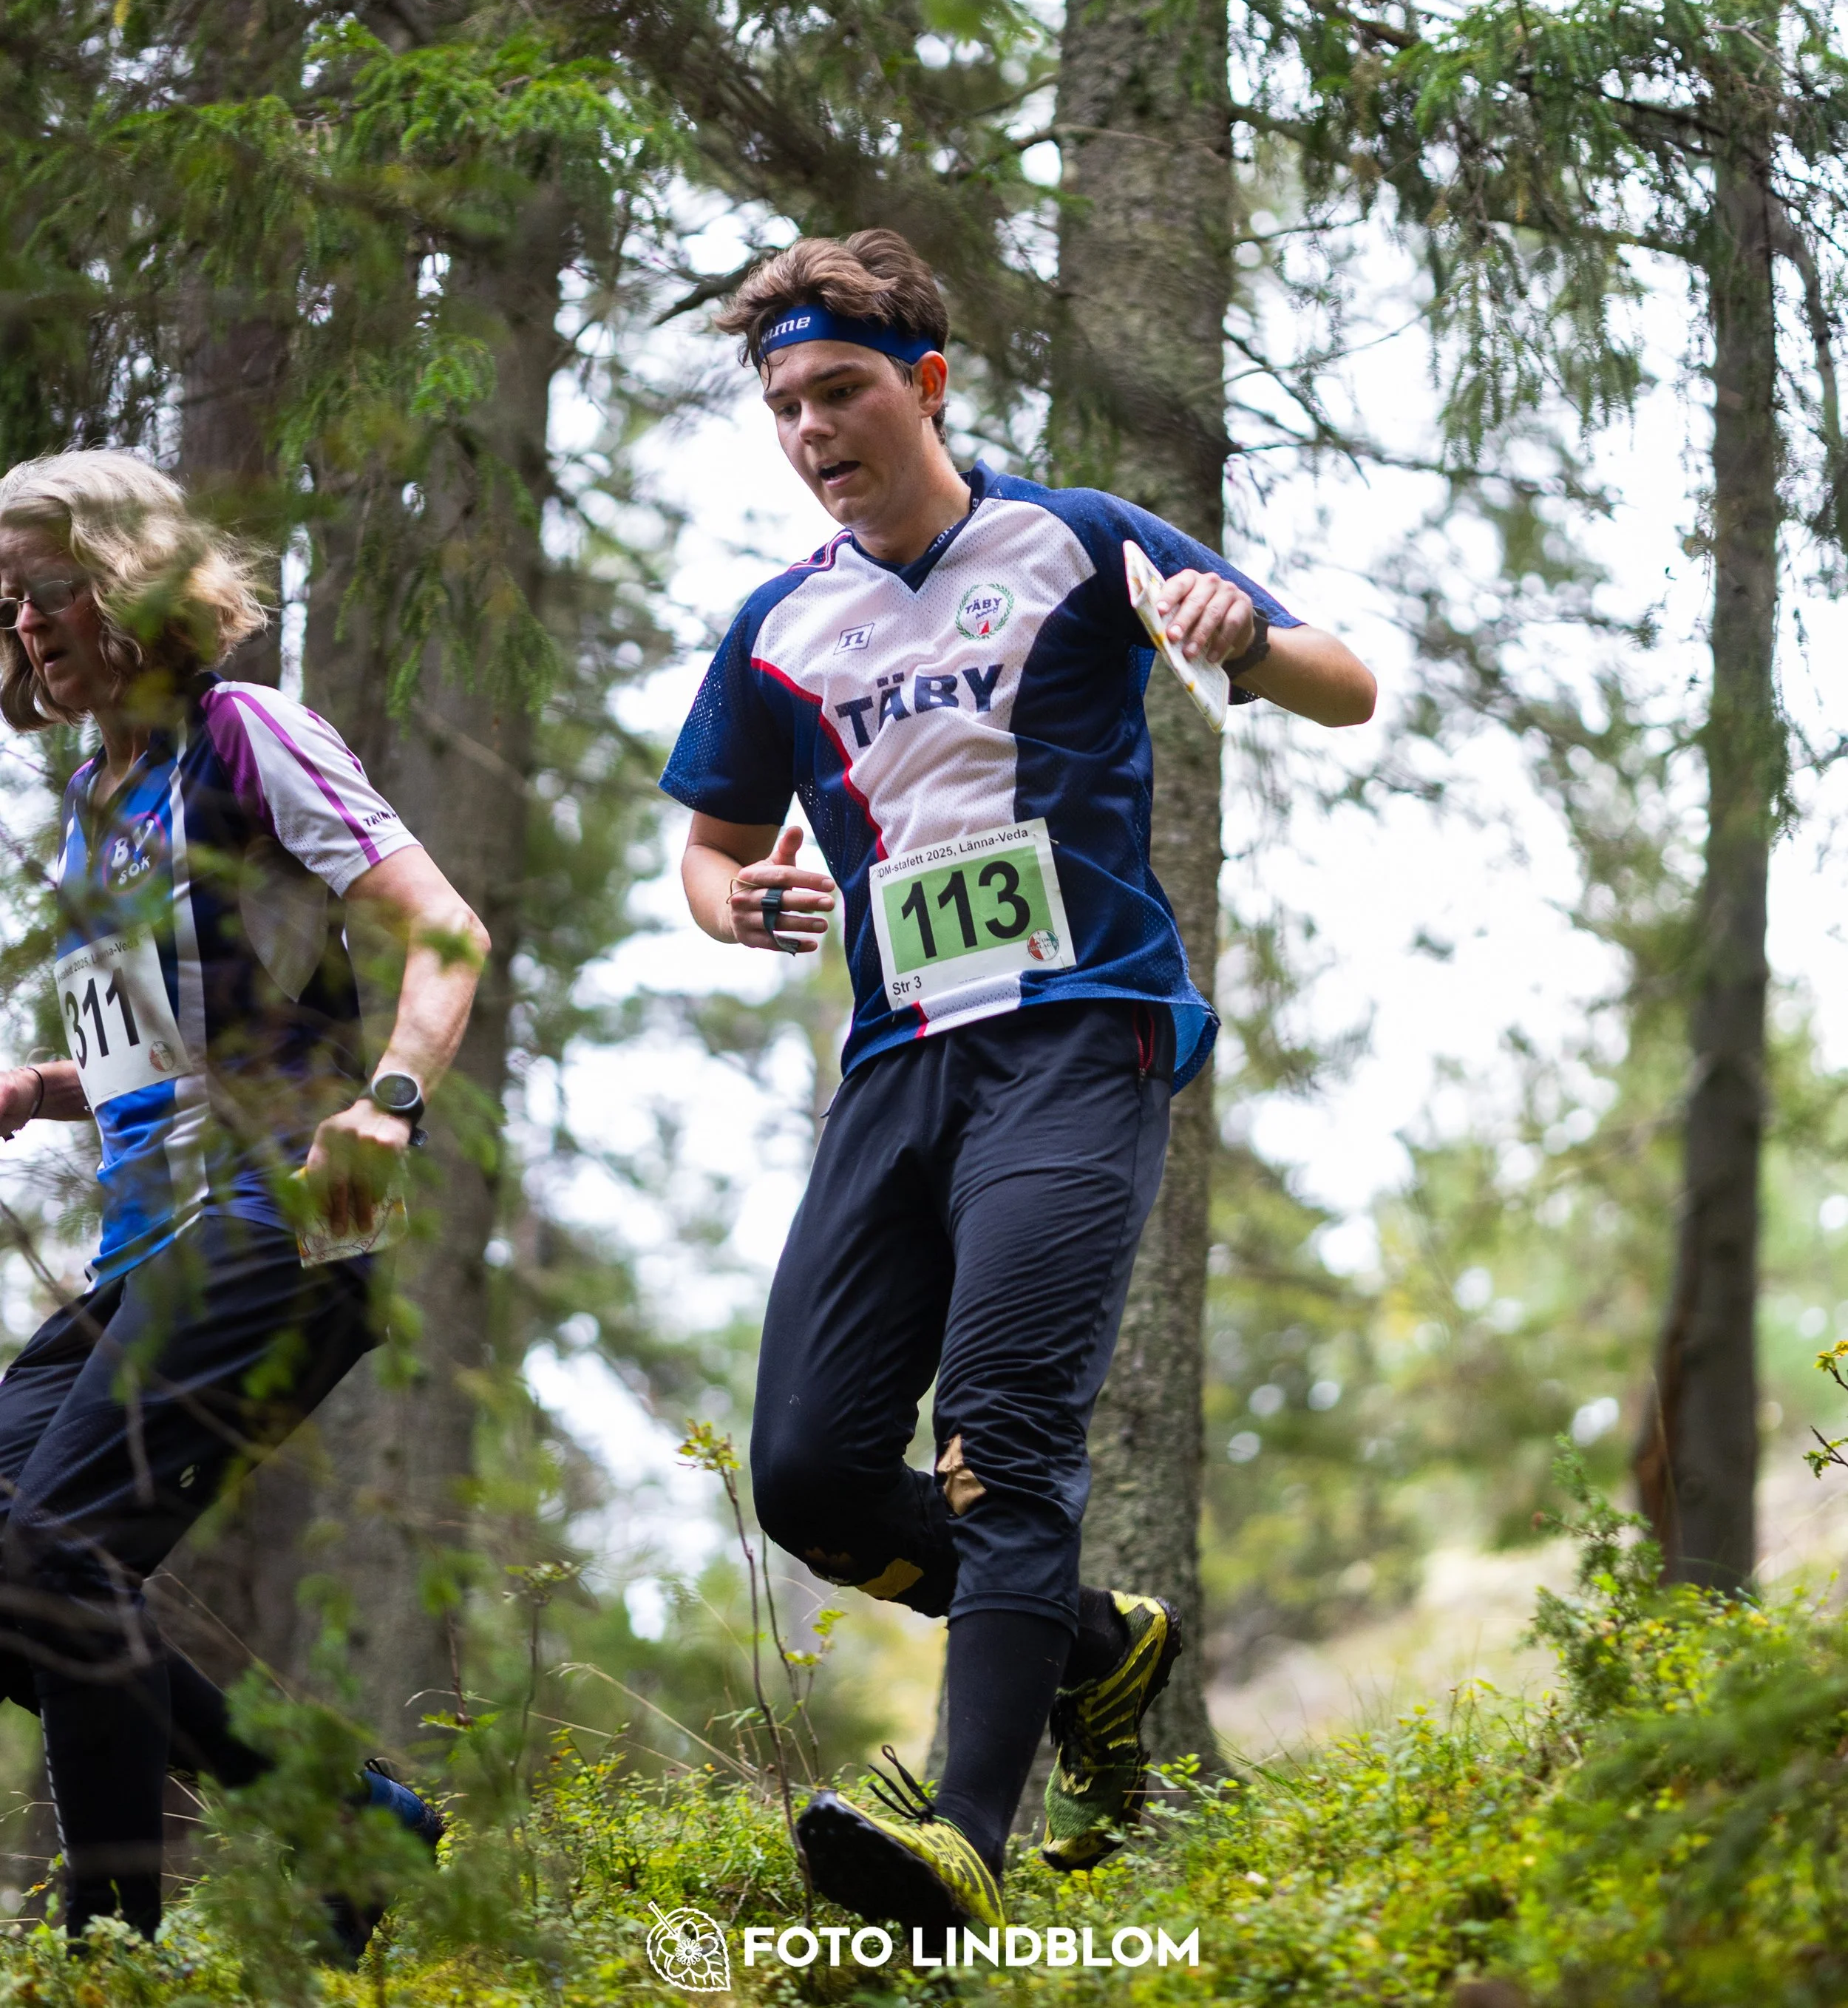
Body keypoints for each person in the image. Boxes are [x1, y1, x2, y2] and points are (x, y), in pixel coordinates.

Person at [660, 229, 1376, 1930]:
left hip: (1077, 1031)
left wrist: (1240, 641)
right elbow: (704, 845)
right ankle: (1096, 1643)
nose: (814, 429)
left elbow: (1345, 685)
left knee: (1000, 1432)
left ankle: (964, 1835)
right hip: (897, 1064)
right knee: (810, 1472)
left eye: (840, 390)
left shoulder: (1070, 538)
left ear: (923, 383)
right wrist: (731, 900)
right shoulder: (778, 626)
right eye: (783, 406)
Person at [0, 449, 489, 1945]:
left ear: (134, 580)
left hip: (283, 1215)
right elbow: (193, 1035)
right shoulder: (99, 790)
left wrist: (389, 1102)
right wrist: (45, 1087)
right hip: (147, 1244)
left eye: (46, 592)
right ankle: (350, 1821)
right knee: (21, 1563)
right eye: (8, 609)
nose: (27, 630)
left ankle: (109, 1946)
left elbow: (441, 930)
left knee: (57, 1559)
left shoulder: (245, 732)